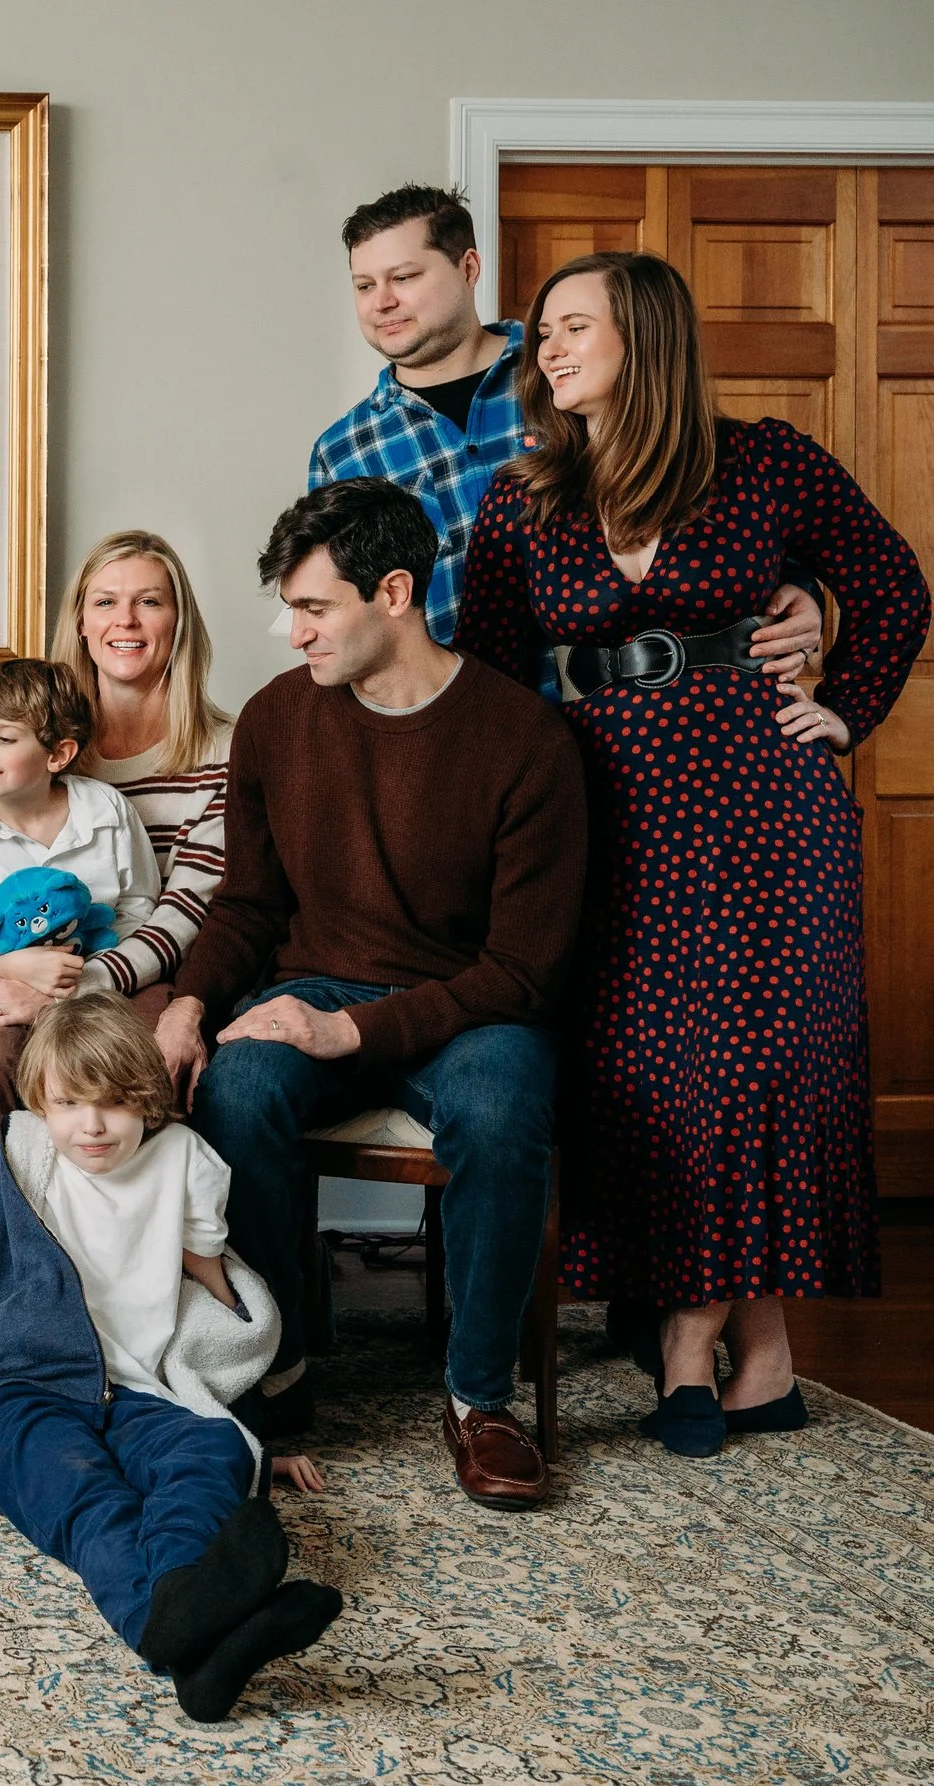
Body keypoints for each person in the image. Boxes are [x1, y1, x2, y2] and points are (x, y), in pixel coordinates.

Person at [458, 251, 931, 1457]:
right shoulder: (522, 497)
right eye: (543, 333)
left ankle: (689, 1344)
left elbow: (891, 582)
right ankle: (756, 1356)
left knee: (758, 1065)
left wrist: (846, 707)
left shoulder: (762, 460)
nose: (546, 349)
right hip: (604, 808)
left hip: (762, 801)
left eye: (572, 327)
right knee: (654, 1072)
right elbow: (500, 683)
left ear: (646, 337)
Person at [160, 477, 588, 1511]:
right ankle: (277, 1369)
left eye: (311, 606)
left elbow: (525, 969)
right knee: (239, 1086)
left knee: (499, 1109)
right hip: (316, 976)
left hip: (474, 1001)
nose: (286, 627)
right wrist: (187, 1002)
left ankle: (480, 1399)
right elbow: (249, 902)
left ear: (393, 592)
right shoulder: (273, 720)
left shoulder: (526, 738)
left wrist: (352, 1028)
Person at [0, 996, 339, 1724]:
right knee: (82, 1497)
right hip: (22, 1384)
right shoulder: (21, 1153)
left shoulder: (186, 1162)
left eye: (112, 1103)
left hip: (144, 1382)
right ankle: (180, 1631)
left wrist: (254, 1430)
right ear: (44, 1102)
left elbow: (222, 1299)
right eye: (70, 1104)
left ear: (147, 1101)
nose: (92, 1125)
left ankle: (187, 1639)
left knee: (208, 1455)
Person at [310, 183, 822, 697]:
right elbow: (336, 609)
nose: (382, 302)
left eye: (403, 277)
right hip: (459, 727)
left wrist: (799, 589)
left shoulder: (574, 376)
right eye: (363, 286)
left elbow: (717, 493)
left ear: (468, 268)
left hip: (622, 715)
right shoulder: (344, 453)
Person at [0, 658, 161, 1183]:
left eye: (5, 738)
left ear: (58, 754)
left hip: (113, 983)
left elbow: (140, 909)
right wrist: (12, 964)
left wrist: (88, 977)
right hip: (12, 987)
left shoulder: (106, 811)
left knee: (156, 1040)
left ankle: (152, 1193)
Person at [48, 530, 234, 1016]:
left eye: (149, 602)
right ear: (82, 624)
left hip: (157, 986)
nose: (125, 620)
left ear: (178, 624)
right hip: (39, 970)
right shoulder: (39, 750)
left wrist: (79, 984)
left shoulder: (228, 751)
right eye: (106, 601)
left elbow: (185, 914)